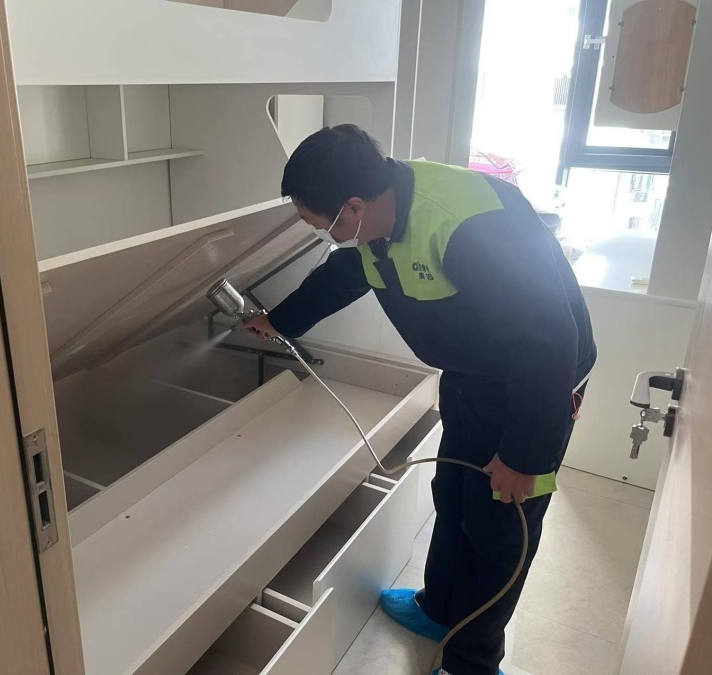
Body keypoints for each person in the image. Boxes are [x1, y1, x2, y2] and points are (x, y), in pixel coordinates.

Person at [244, 125, 596, 675]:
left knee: (501, 531)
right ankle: (440, 609)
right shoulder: (376, 220)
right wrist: (279, 320)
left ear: (354, 208)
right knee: (453, 495)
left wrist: (524, 456)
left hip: (538, 387)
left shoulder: (470, 225)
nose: (321, 233)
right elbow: (344, 276)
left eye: (320, 224)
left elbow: (549, 341)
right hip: (472, 373)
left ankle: (472, 663)